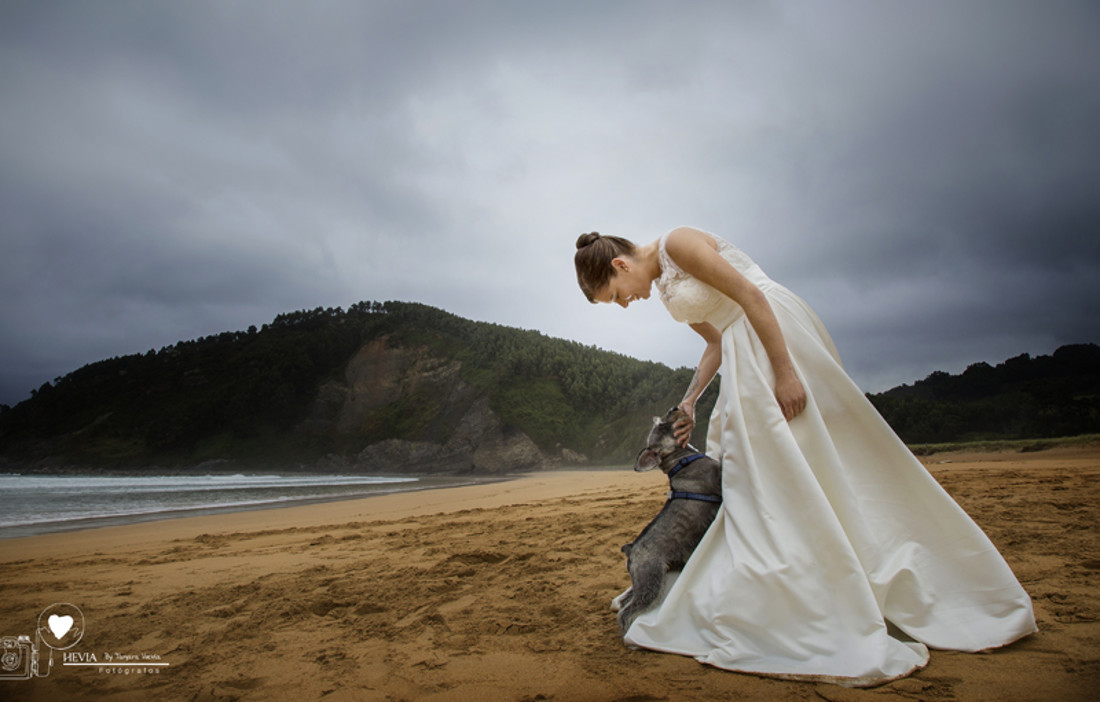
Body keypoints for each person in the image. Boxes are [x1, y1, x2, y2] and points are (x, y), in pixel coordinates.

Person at [574, 226, 1037, 687]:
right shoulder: (661, 286)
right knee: (762, 468)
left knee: (798, 452)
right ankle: (809, 572)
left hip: (774, 332)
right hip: (742, 346)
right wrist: (692, 399)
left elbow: (752, 296)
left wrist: (786, 373)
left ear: (620, 265)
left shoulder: (678, 243)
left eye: (615, 295)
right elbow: (714, 342)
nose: (625, 303)